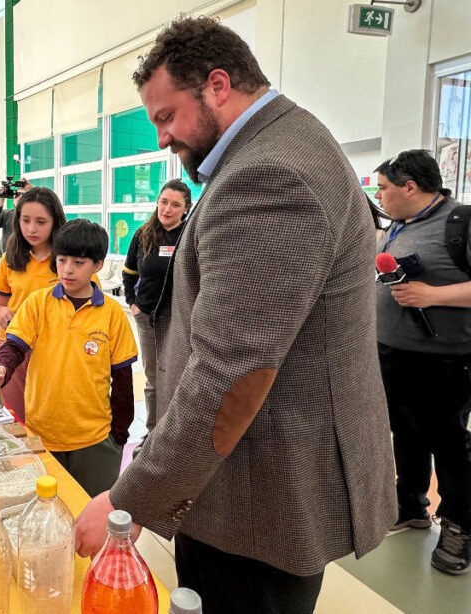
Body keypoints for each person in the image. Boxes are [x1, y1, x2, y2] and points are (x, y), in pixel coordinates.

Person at [73, 17, 395, 614]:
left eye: (166, 117)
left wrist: (130, 499)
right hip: (238, 474)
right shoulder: (281, 145)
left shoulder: (268, 175)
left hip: (259, 495)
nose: (162, 140)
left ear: (218, 85)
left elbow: (231, 376)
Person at [0, 219, 137, 497]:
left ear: (97, 265)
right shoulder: (37, 302)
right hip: (43, 433)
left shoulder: (112, 314)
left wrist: (119, 436)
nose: (67, 270)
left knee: (92, 517)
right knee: (47, 517)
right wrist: (3, 368)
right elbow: (15, 345)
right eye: (62, 260)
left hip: (96, 439)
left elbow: (123, 378)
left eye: (78, 263)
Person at [373, 149, 471, 575]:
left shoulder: (460, 222)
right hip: (394, 354)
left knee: (449, 447)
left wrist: (433, 295)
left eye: (383, 188)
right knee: (407, 435)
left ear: (410, 187)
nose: (379, 196)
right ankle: (411, 504)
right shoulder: (399, 224)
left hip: (446, 362)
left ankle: (460, 527)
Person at [122, 179, 192, 432]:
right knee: (153, 379)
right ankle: (153, 434)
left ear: (186, 209)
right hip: (147, 317)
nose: (167, 209)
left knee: (178, 377)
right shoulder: (143, 235)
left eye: (175, 204)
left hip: (179, 321)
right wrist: (133, 304)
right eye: (164, 202)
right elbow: (129, 273)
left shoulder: (189, 235)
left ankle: (174, 432)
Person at [0, 186, 66, 421]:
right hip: (14, 347)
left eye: (41, 221)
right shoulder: (10, 258)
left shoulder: (68, 259)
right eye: (25, 220)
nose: (32, 229)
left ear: (55, 222)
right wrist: (2, 313)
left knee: (50, 416)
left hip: (54, 348)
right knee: (15, 416)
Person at [0, 179, 32, 255]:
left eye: (23, 195)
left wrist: (31, 189)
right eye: (17, 194)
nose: (19, 197)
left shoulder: (32, 215)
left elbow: (45, 203)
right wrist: (2, 198)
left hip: (24, 256)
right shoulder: (7, 213)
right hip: (6, 256)